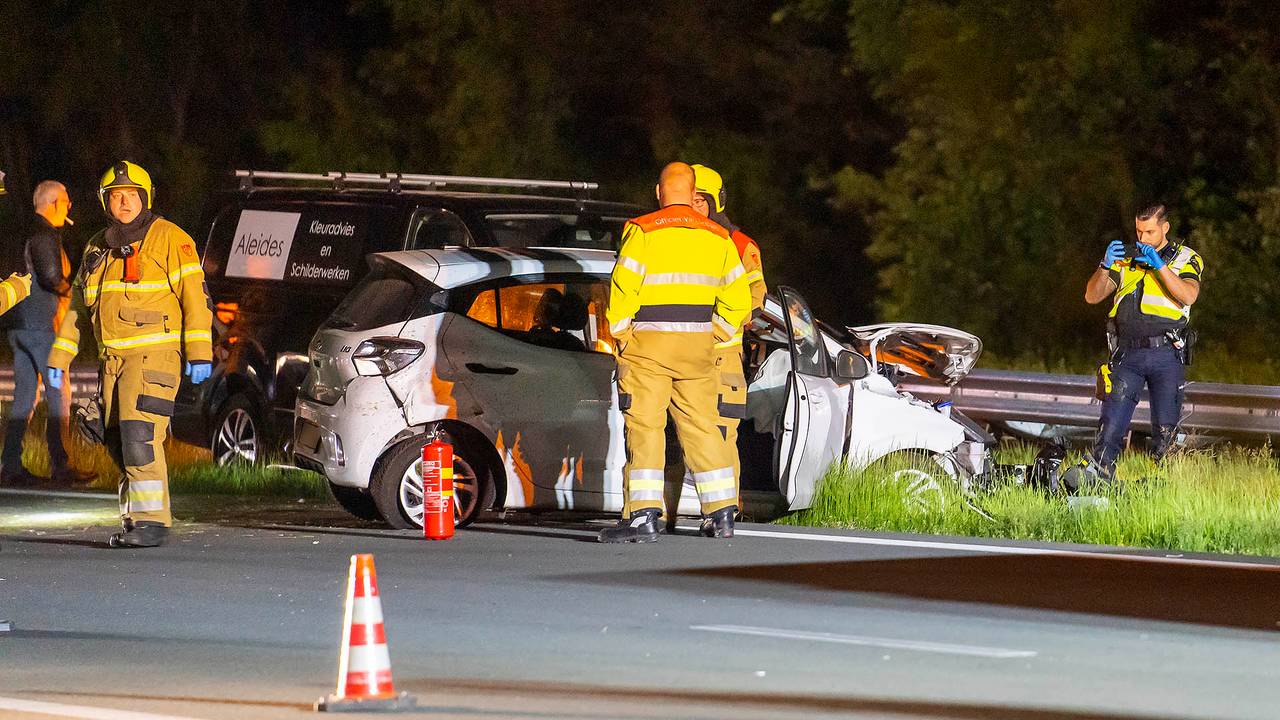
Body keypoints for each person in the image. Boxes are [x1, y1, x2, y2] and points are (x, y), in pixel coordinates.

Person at [46, 161, 214, 548]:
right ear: (105, 201)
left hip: (154, 359)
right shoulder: (97, 247)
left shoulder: (171, 239)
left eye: (131, 195)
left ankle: (152, 521)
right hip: (113, 364)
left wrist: (199, 352)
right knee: (118, 441)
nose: (123, 202)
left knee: (140, 437)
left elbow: (196, 299)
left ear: (145, 198)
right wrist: (59, 359)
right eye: (116, 196)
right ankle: (135, 518)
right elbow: (77, 310)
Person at [599, 162, 752, 543]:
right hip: (697, 351)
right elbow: (739, 300)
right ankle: (721, 514)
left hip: (648, 349)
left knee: (646, 428)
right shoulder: (718, 236)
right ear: (694, 193)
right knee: (703, 428)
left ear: (658, 192)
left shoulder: (643, 230)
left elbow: (623, 288)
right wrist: (714, 334)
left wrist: (622, 335)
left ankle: (643, 517)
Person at [1073, 203, 1203, 484]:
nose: (1143, 238)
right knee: (1110, 427)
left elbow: (1188, 295)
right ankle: (1099, 480)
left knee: (1166, 431)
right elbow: (1092, 296)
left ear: (1165, 228)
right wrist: (1104, 265)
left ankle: (1164, 488)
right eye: (1139, 231)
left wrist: (1159, 266)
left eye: (1150, 232)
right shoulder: (1126, 259)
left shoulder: (1185, 258)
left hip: (1166, 353)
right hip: (1127, 354)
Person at [690, 164, 767, 535]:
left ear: (715, 202)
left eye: (699, 201)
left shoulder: (738, 245)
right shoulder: (673, 238)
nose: (693, 207)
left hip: (723, 355)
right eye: (688, 199)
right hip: (679, 352)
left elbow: (755, 297)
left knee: (722, 434)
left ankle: (723, 512)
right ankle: (666, 511)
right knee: (676, 435)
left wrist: (717, 327)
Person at [2, 181, 94, 487]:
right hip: (42, 327)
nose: (69, 207)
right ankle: (61, 465)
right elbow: (52, 276)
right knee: (59, 393)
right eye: (66, 201)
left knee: (24, 397)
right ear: (53, 203)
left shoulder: (21, 232)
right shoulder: (45, 235)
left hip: (19, 326)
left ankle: (10, 465)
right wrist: (79, 295)